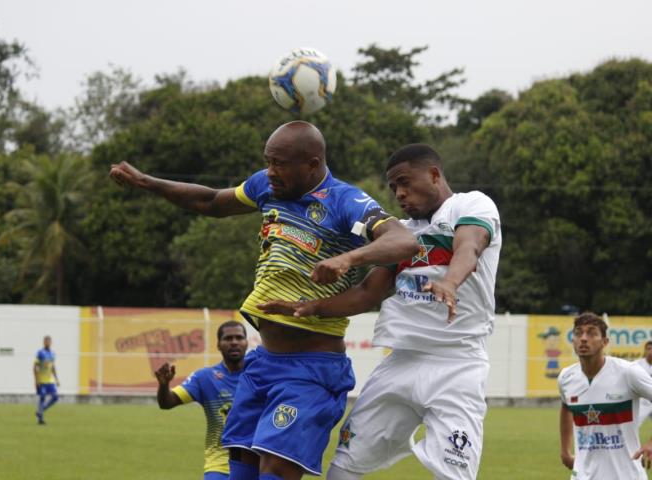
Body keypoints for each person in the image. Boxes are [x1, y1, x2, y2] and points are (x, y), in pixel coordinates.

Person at [110, 120, 419, 480]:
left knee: (273, 472)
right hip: (262, 367)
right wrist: (145, 182)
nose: (270, 171)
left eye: (279, 163)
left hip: (310, 372)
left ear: (312, 164)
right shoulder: (267, 186)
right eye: (268, 161)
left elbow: (403, 241)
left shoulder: (344, 201)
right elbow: (210, 201)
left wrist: (346, 259)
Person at [260, 143, 501, 480]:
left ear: (433, 175)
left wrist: (450, 281)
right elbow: (365, 294)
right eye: (393, 188)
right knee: (343, 468)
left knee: (453, 475)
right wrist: (309, 307)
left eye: (405, 182)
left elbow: (469, 246)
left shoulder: (471, 205)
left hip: (457, 365)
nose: (399, 194)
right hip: (400, 363)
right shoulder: (404, 233)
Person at [558, 313, 652, 479]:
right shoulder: (566, 378)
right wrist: (565, 451)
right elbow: (566, 407)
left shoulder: (628, 373)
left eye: (592, 333)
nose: (584, 338)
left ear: (605, 342)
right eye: (578, 333)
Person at [156, 320, 248, 480]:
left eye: (239, 338)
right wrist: (164, 385)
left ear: (246, 343)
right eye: (228, 338)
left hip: (254, 463)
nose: (234, 342)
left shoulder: (260, 375)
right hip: (219, 464)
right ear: (218, 345)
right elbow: (167, 403)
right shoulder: (204, 377)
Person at [34, 335, 60, 425]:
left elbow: (52, 367)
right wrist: (36, 380)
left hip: (50, 381)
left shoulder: (52, 354)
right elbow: (35, 367)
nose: (48, 343)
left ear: (51, 342)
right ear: (43, 342)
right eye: (46, 341)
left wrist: (56, 379)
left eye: (49, 341)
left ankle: (41, 410)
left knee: (55, 397)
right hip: (41, 380)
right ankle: (40, 419)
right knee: (42, 397)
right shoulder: (40, 353)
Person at [634, 340, 652, 426]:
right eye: (649, 349)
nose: (651, 351)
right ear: (645, 350)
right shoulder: (636, 365)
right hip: (642, 402)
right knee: (634, 425)